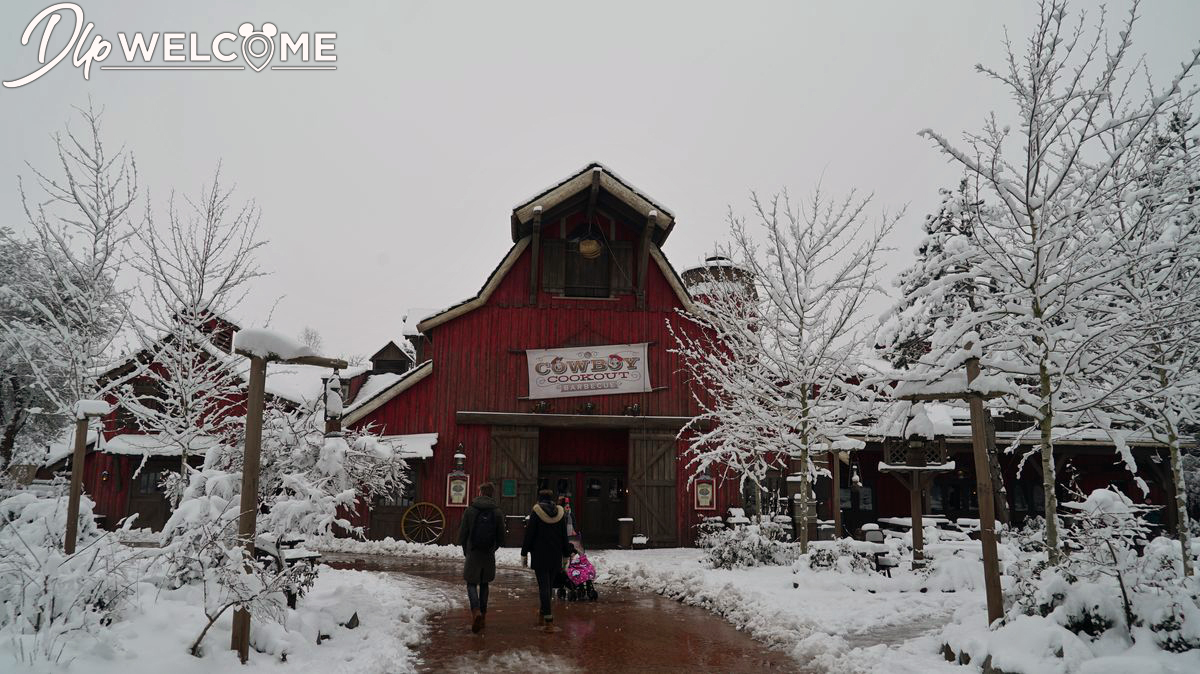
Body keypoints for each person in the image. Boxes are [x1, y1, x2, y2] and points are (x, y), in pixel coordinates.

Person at [521, 489, 574, 632]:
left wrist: (524, 553)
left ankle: (549, 619)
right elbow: (564, 536)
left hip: (540, 555)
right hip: (555, 555)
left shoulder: (536, 512)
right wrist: (566, 554)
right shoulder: (560, 513)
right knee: (549, 586)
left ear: (539, 499)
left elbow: (530, 534)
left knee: (543, 586)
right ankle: (542, 613)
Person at [457, 482, 505, 633]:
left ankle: (475, 611)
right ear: (492, 494)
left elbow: (463, 533)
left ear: (480, 492)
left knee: (471, 583)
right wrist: (493, 547)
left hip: (473, 551)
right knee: (484, 583)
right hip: (488, 552)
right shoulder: (497, 512)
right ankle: (483, 616)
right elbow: (501, 537)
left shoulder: (470, 510)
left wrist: (466, 548)